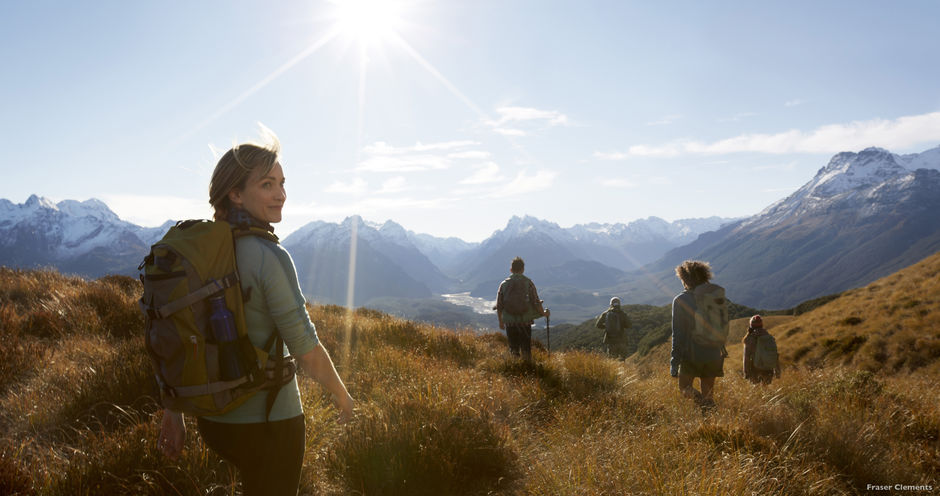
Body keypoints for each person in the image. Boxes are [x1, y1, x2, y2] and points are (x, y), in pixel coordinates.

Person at [156, 133, 354, 496]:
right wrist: (342, 396)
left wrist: (174, 411)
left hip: (214, 423)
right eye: (267, 184)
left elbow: (175, 334)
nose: (281, 194)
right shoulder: (268, 256)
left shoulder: (199, 255)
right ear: (235, 193)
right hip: (270, 422)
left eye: (281, 183)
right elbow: (305, 347)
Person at [670, 260, 726, 409]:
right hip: (713, 352)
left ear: (685, 279)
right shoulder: (714, 296)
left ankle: (708, 407)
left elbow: (678, 334)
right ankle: (710, 416)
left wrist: (674, 362)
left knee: (684, 388)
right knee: (708, 393)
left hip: (691, 354)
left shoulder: (680, 300)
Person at [495, 257, 549, 362]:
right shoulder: (528, 283)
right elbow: (536, 302)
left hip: (509, 321)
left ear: (511, 270)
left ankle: (515, 371)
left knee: (513, 348)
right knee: (526, 348)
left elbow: (499, 305)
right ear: (523, 269)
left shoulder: (504, 284)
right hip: (525, 321)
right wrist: (544, 313)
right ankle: (527, 369)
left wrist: (501, 322)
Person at [742, 315, 781, 384]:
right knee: (766, 391)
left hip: (754, 369)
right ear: (762, 325)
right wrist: (777, 371)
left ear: (751, 325)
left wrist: (746, 372)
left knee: (756, 391)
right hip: (768, 368)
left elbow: (746, 357)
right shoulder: (769, 337)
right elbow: (775, 354)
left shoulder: (750, 339)